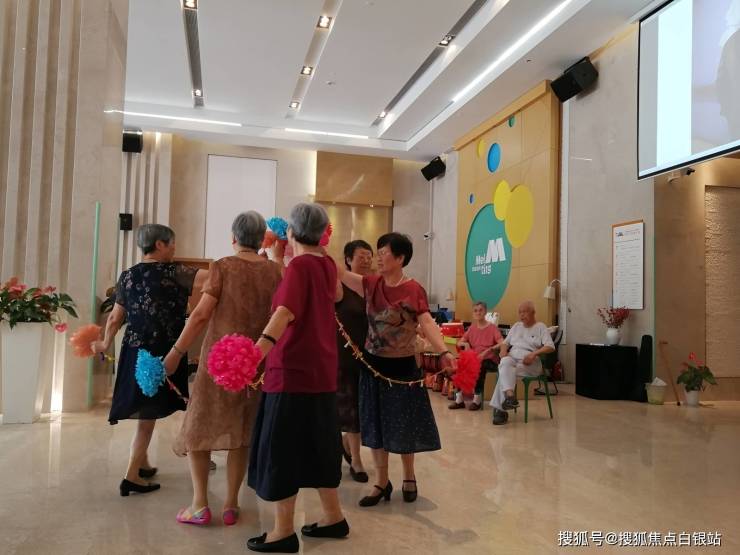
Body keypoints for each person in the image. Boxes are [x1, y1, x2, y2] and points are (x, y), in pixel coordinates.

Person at [162, 212, 282, 526]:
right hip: (256, 364)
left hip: (219, 362)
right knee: (242, 430)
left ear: (233, 237)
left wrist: (176, 352)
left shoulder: (222, 266)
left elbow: (201, 314)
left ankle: (199, 504)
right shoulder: (274, 271)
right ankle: (231, 504)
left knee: (198, 426)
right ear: (261, 239)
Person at [246, 203, 348, 554]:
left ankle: (283, 531)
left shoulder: (300, 267)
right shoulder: (325, 264)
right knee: (320, 446)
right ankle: (333, 517)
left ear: (290, 232)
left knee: (282, 450)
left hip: (291, 372)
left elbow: (284, 313)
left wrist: (254, 354)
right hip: (321, 372)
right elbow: (336, 295)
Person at [337, 232, 455, 507]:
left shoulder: (413, 289)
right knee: (376, 427)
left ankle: (409, 476)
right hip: (373, 367)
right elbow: (339, 273)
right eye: (377, 253)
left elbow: (427, 323)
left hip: (402, 370)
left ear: (400, 258)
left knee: (404, 425)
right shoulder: (371, 283)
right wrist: (315, 242)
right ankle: (381, 481)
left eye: (383, 253)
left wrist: (444, 352)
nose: (378, 258)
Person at [92, 224, 207, 496]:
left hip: (134, 351)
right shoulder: (175, 272)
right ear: (159, 245)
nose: (175, 248)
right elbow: (216, 277)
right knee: (148, 414)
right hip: (164, 351)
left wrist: (105, 343)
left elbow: (115, 317)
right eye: (172, 243)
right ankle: (131, 475)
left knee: (145, 408)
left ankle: (141, 463)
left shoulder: (128, 276)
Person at [336, 239, 373, 483]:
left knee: (362, 409)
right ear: (348, 260)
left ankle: (347, 445)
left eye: (370, 256)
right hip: (344, 356)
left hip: (372, 357)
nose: (367, 260)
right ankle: (356, 460)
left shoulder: (374, 287)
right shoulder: (339, 287)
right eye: (361, 256)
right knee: (350, 409)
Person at [489, 300, 555, 425]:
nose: (522, 315)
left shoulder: (540, 327)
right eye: (520, 312)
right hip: (513, 360)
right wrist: (503, 351)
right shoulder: (516, 326)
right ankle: (510, 396)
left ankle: (501, 410)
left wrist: (534, 354)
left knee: (504, 372)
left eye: (525, 312)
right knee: (505, 362)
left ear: (533, 313)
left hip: (530, 364)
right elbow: (505, 343)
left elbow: (550, 346)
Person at [450, 301, 503, 411]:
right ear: (473, 313)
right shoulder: (472, 328)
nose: (478, 313)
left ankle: (477, 399)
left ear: (485, 312)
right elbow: (459, 342)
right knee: (460, 365)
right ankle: (459, 399)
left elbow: (502, 343)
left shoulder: (493, 328)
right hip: (475, 358)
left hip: (490, 360)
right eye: (475, 311)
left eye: (480, 310)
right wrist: (466, 344)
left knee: (480, 365)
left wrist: (488, 350)